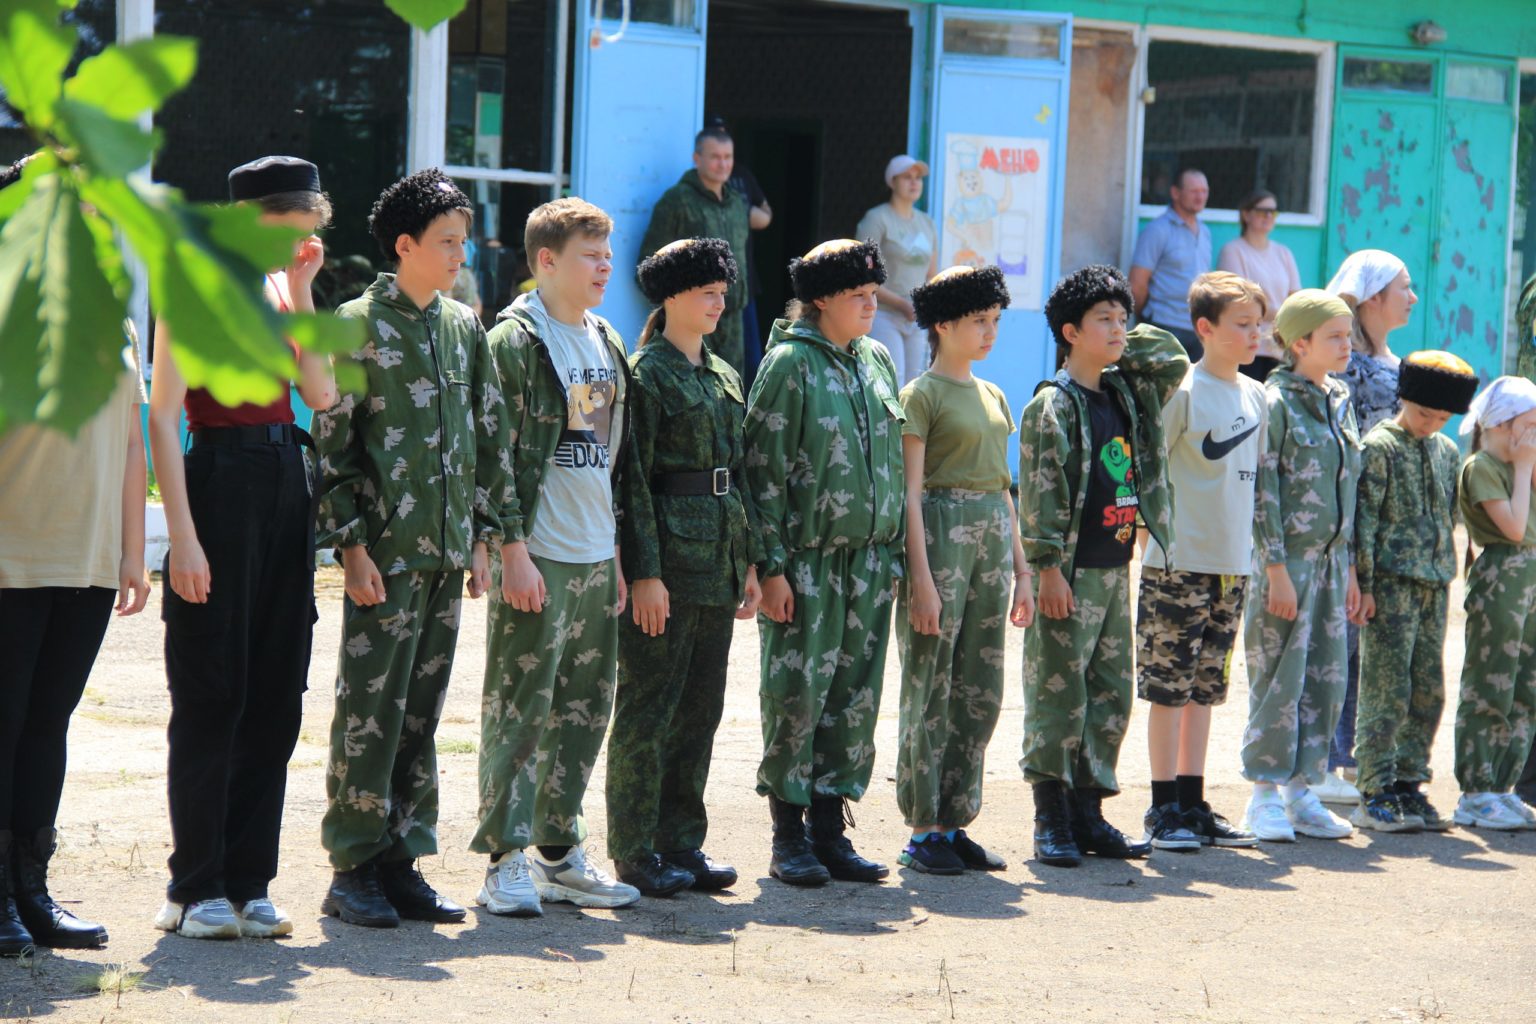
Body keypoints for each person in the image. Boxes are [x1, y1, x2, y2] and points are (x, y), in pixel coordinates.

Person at [147, 156, 337, 940]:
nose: (305, 243)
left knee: (274, 694)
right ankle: (192, 889)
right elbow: (162, 415)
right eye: (299, 229)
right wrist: (182, 537)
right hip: (218, 481)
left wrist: (302, 293)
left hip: (286, 475)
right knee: (212, 693)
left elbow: (322, 395)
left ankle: (249, 880)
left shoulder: (278, 289)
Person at [314, 169, 506, 929]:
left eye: (463, 241)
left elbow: (488, 439)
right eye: (447, 242)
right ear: (405, 245)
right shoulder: (357, 322)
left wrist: (486, 540)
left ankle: (402, 859)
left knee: (422, 714)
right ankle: (351, 865)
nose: (460, 255)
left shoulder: (462, 327)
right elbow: (335, 449)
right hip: (385, 555)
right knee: (371, 709)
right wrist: (351, 546)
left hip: (446, 554)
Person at [472, 197, 643, 916]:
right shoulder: (515, 341)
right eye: (589, 256)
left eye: (608, 255)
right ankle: (503, 860)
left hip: (595, 557)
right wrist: (510, 546)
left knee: (582, 710)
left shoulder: (605, 338)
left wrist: (620, 557)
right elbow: (496, 453)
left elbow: (610, 458)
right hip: (537, 553)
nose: (606, 267)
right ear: (546, 262)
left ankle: (557, 852)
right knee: (520, 711)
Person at [0, 157, 148, 956]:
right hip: (11, 555)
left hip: (87, 561)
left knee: (46, 726)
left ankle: (32, 887)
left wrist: (132, 551)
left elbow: (130, 441)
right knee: (5, 723)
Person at [604, 238, 764, 896]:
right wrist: (645, 573)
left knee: (702, 708)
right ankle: (635, 849)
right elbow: (632, 483)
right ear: (671, 296)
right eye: (707, 292)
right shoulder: (646, 375)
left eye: (723, 293)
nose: (719, 303)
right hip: (666, 564)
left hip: (716, 565)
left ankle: (682, 842)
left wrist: (749, 561)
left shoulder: (723, 375)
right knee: (649, 707)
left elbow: (740, 477)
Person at [744, 239, 904, 887]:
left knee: (854, 698)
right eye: (856, 297)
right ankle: (789, 837)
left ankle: (832, 832)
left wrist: (891, 553)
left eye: (873, 295)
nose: (870, 306)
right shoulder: (788, 365)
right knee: (797, 696)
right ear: (819, 302)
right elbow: (762, 474)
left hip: (868, 562)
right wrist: (771, 566)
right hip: (806, 563)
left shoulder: (877, 360)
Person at [1019, 265, 1188, 868]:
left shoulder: (1125, 392)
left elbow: (1172, 360)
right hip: (1070, 570)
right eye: (1104, 320)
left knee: (1110, 693)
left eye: (1124, 318)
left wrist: (1120, 325)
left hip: (1115, 567)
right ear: (1069, 331)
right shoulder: (1052, 406)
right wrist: (1046, 569)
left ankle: (1090, 811)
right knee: (1058, 693)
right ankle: (1052, 816)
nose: (1119, 329)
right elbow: (1039, 493)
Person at [894, 266, 1033, 875]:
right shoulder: (920, 395)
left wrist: (1024, 570)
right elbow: (911, 494)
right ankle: (923, 829)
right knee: (930, 685)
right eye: (979, 321)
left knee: (980, 686)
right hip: (942, 544)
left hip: (993, 548)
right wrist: (920, 580)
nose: (989, 333)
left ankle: (956, 821)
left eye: (995, 321)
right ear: (942, 325)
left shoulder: (993, 394)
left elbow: (1005, 491)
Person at [1137, 272, 1267, 852]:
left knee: (1205, 690)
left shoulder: (1256, 393)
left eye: (1259, 323)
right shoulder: (1183, 393)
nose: (1254, 334)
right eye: (1242, 324)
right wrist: (1152, 548)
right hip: (1179, 562)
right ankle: (1162, 807)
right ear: (1205, 329)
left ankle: (1193, 801)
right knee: (1168, 688)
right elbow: (1147, 472)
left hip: (1230, 565)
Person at [1239, 290, 1363, 843]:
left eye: (1349, 333)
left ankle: (1301, 791)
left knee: (1323, 678)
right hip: (1287, 563)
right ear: (1299, 343)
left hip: (1333, 565)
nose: (1347, 344)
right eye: (1335, 335)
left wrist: (1352, 568)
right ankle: (1263, 795)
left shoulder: (1339, 397)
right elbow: (1262, 490)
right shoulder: (1276, 402)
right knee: (1278, 679)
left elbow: (1349, 488)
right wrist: (1275, 569)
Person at [1350, 352, 1478, 833]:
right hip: (1389, 584)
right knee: (1386, 689)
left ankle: (1409, 783)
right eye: (1425, 414)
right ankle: (1374, 789)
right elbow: (1365, 522)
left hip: (1432, 584)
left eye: (1442, 418)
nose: (1431, 424)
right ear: (1404, 399)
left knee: (1427, 689)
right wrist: (1363, 585)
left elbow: (1450, 517)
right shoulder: (1379, 447)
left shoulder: (1446, 451)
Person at [1317, 249, 1419, 807]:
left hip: (1386, 520)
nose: (1413, 297)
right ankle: (1328, 759)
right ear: (1373, 295)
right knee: (1342, 641)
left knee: (1367, 644)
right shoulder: (1345, 363)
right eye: (1404, 287)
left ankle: (1349, 757)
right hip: (1348, 515)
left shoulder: (1388, 358)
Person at [1452, 376, 1536, 830]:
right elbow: (1515, 529)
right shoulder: (1484, 466)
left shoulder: (1526, 465)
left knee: (1526, 686)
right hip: (1503, 576)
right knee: (1492, 685)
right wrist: (1522, 470)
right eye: (1531, 424)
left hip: (1531, 577)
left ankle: (1502, 786)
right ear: (1503, 425)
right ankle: (1476, 789)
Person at [640, 125, 751, 377]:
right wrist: (675, 310)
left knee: (731, 391)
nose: (723, 164)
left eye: (728, 157)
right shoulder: (677, 200)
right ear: (697, 158)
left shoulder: (736, 203)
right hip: (690, 317)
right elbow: (649, 262)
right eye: (715, 157)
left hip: (732, 319)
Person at [857, 155, 938, 387]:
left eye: (918, 178)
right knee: (890, 380)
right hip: (882, 313)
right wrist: (901, 304)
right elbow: (864, 274)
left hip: (915, 318)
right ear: (892, 182)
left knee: (914, 385)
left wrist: (923, 305)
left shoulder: (927, 223)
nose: (914, 183)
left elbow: (931, 274)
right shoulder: (876, 218)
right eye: (906, 177)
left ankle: (909, 426)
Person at [1217, 189, 1300, 381]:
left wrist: (1284, 320)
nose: (1269, 216)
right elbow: (1240, 302)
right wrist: (1284, 316)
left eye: (1273, 211)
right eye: (1263, 211)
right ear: (1246, 214)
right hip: (1246, 346)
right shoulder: (1233, 251)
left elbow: (1296, 297)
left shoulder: (1283, 253)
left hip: (1280, 347)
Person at [1129, 168, 1212, 361]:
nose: (1200, 197)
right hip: (1164, 326)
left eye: (1204, 191)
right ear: (1175, 193)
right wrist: (1148, 320)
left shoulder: (1205, 232)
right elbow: (1137, 284)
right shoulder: (1158, 230)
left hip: (1197, 328)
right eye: (1194, 191)